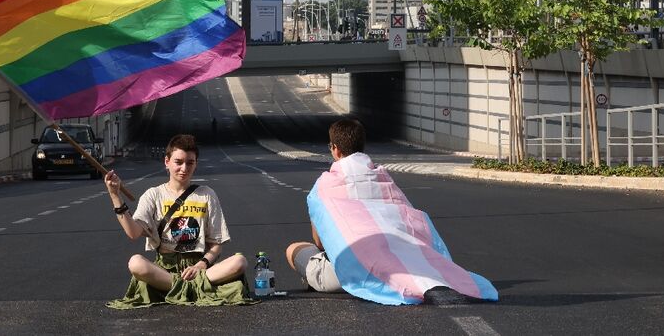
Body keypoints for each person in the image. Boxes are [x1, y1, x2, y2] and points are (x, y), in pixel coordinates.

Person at [286, 119, 498, 305]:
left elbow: (322, 242)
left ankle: (316, 279)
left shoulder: (323, 187)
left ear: (335, 149)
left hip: (349, 274)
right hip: (401, 264)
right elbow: (409, 219)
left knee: (294, 249)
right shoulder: (383, 179)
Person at [104, 134, 253, 308]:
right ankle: (193, 289)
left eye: (190, 162)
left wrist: (201, 265)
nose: (184, 168)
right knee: (136, 263)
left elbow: (216, 244)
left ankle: (179, 288)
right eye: (178, 162)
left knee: (240, 261)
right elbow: (133, 232)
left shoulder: (207, 194)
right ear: (166, 162)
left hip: (200, 268)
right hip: (165, 271)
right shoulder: (153, 195)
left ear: (196, 163)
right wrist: (115, 195)